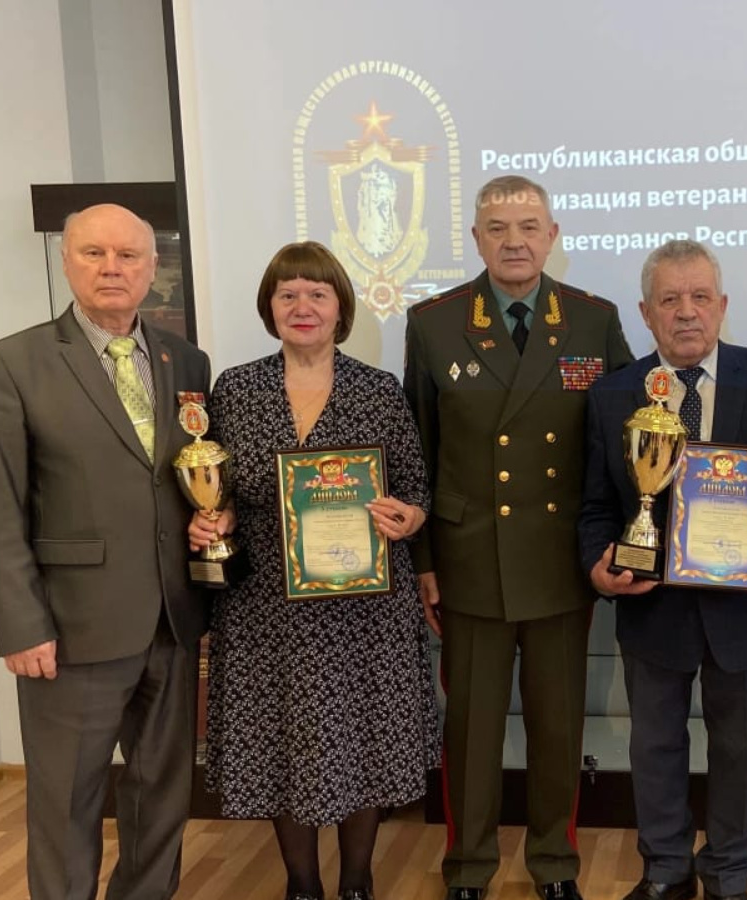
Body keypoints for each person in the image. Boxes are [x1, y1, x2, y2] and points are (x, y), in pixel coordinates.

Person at [0, 203, 212, 900]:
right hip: (70, 631)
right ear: (66, 260)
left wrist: (212, 517)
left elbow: (190, 477)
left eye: (128, 256)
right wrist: (21, 627)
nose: (112, 268)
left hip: (172, 621)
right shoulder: (12, 363)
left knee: (161, 797)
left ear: (152, 268)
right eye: (94, 253)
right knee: (66, 804)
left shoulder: (185, 360)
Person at [403, 175, 633, 900]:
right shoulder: (435, 322)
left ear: (552, 236)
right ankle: (468, 868)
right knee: (471, 731)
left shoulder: (593, 320)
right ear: (476, 239)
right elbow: (417, 453)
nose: (514, 241)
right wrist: (424, 561)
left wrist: (620, 541)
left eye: (529, 226)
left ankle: (555, 865)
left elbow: (627, 440)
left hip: (561, 558)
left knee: (558, 727)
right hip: (470, 559)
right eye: (498, 228)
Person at [187, 242, 439, 900]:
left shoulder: (378, 390)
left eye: (317, 294)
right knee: (281, 742)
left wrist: (408, 517)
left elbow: (416, 490)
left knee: (362, 740)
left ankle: (357, 881)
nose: (303, 306)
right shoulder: (236, 389)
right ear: (270, 308)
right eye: (288, 294)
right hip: (265, 607)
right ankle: (302, 884)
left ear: (340, 308)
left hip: (364, 608)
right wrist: (216, 519)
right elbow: (220, 490)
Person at [578, 240, 747, 900]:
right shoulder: (613, 394)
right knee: (654, 747)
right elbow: (595, 505)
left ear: (722, 305)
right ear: (645, 312)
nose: (686, 312)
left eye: (700, 297)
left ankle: (728, 875)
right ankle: (665, 869)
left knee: (743, 753)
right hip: (651, 606)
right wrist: (599, 566)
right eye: (669, 299)